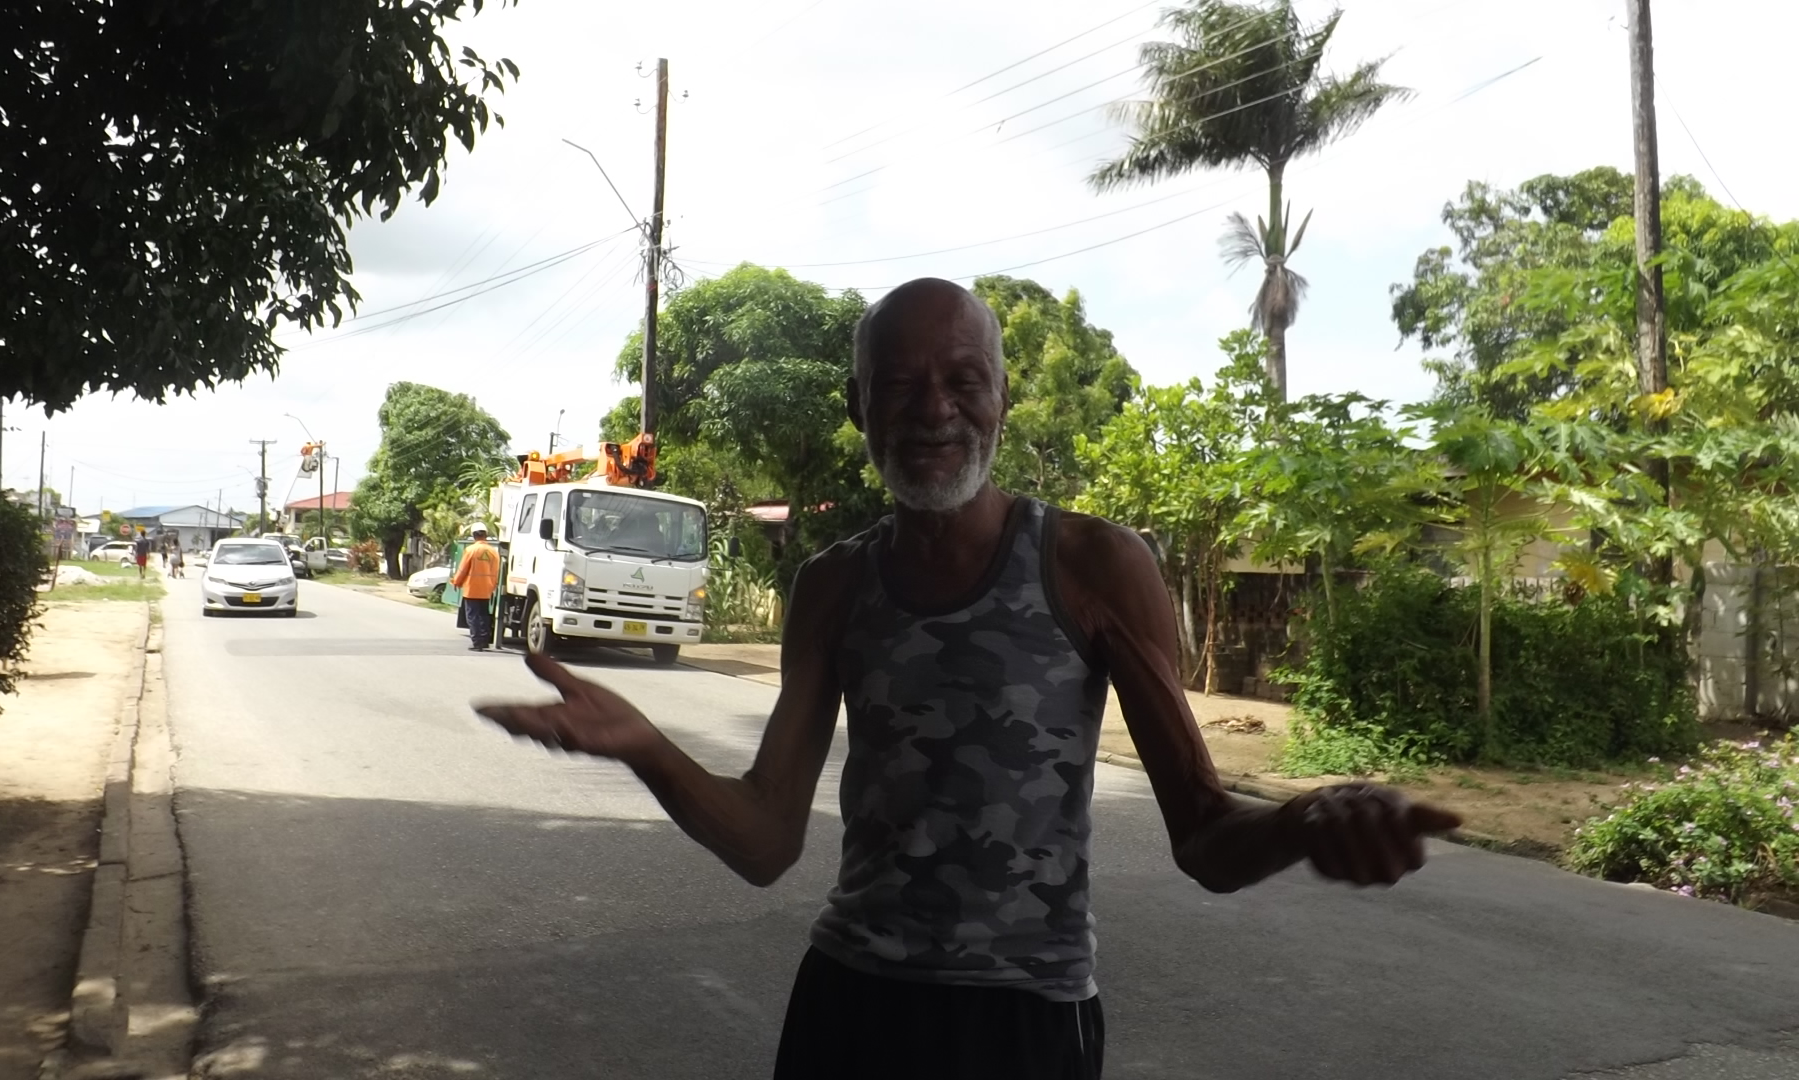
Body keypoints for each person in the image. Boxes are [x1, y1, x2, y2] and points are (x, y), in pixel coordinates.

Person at [475, 278, 1461, 1079]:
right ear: (859, 407)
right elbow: (768, 840)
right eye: (900, 385)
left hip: (1025, 1024)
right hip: (849, 1008)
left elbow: (1204, 835)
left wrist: (1306, 820)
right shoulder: (834, 586)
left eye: (963, 378)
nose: (934, 409)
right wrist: (647, 747)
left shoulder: (1094, 564)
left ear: (1002, 395)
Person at [453, 523, 500, 652]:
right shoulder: (493, 552)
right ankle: (484, 641)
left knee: (472, 616)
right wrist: (493, 586)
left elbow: (463, 569)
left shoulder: (471, 550)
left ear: (474, 535)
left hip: (472, 588)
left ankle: (477, 642)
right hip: (486, 590)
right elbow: (496, 571)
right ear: (486, 535)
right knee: (484, 615)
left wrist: (456, 582)